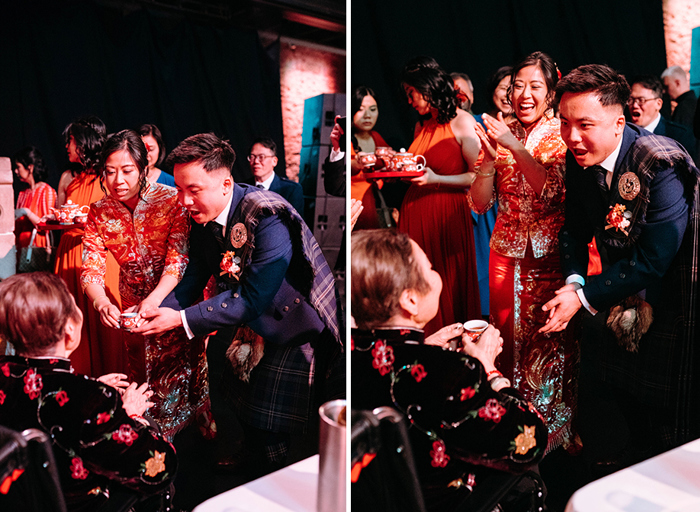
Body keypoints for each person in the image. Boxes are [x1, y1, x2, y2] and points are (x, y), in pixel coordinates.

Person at [132, 133, 342, 473]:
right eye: (180, 190)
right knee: (240, 401)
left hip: (292, 325)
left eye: (193, 190)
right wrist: (158, 306)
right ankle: (250, 457)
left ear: (226, 184)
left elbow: (254, 298)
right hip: (250, 322)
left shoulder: (268, 215)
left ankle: (271, 476)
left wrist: (180, 320)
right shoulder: (200, 217)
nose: (183, 200)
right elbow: (195, 274)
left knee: (273, 423)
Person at [543, 63, 700, 465]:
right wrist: (574, 279)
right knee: (626, 393)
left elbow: (655, 258)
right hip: (622, 291)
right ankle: (635, 459)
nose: (572, 137)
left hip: (678, 291)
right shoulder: (577, 158)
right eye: (564, 123)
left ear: (619, 122)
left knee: (673, 406)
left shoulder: (660, 162)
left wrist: (583, 297)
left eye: (585, 125)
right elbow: (573, 230)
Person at [351, 229, 547, 512]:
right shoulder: (451, 374)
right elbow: (531, 439)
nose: (435, 273)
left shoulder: (351, 356)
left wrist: (427, 346)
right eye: (429, 268)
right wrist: (489, 369)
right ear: (410, 301)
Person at [468, 51, 577, 452]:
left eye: (535, 86)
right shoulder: (501, 130)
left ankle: (544, 432)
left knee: (544, 344)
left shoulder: (560, 133)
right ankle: (506, 422)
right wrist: (483, 163)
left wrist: (512, 145)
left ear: (550, 93)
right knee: (506, 340)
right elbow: (480, 204)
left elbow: (548, 190)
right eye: (518, 85)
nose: (524, 94)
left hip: (547, 257)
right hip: (504, 255)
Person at [0, 272, 177, 512]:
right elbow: (158, 469)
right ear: (70, 332)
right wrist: (130, 415)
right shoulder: (93, 401)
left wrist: (86, 385)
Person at [80, 129, 212, 440]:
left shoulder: (170, 200)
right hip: (130, 305)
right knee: (143, 370)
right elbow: (91, 269)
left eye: (127, 171)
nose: (118, 181)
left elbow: (177, 261)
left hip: (174, 296)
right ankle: (153, 436)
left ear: (143, 167)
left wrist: (155, 300)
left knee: (187, 364)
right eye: (109, 172)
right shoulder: (99, 212)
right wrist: (101, 301)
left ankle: (202, 423)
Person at [398, 56, 481, 336]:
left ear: (427, 88)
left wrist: (437, 179)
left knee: (445, 281)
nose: (410, 102)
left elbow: (477, 175)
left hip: (446, 216)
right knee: (414, 285)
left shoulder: (462, 121)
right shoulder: (422, 126)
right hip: (415, 214)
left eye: (411, 94)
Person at [53, 116, 125, 378]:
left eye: (70, 141)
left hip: (102, 255)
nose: (67, 147)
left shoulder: (109, 176)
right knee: (74, 317)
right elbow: (61, 214)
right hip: (70, 252)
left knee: (105, 320)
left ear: (83, 143)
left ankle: (114, 382)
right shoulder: (68, 177)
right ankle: (78, 379)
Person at [350, 85, 396, 230]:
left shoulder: (376, 138)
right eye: (361, 109)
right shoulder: (346, 140)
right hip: (354, 207)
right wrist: (359, 162)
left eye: (373, 109)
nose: (367, 115)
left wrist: (395, 161)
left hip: (375, 205)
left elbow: (391, 167)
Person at [12, 146, 57, 272]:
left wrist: (26, 212)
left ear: (30, 167)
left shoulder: (46, 191)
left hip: (38, 250)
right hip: (21, 249)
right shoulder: (23, 193)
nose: (16, 171)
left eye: (18, 167)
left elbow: (47, 225)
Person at [628, 75, 696, 157]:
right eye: (631, 100)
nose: (635, 105)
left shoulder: (680, 136)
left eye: (641, 100)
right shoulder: (624, 134)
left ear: (658, 104)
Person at [244, 137, 304, 214]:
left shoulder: (291, 190)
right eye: (252, 157)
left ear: (274, 161)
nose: (256, 161)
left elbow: (297, 223)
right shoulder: (243, 188)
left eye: (261, 157)